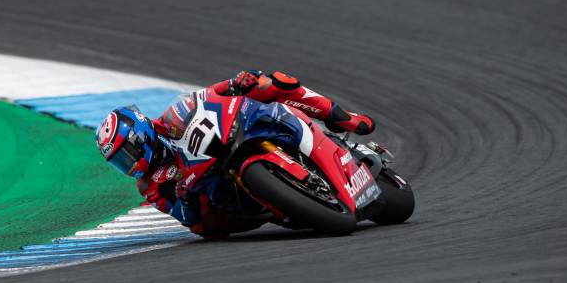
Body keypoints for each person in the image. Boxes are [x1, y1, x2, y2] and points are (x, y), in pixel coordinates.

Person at [95, 70, 374, 238]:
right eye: (119, 162)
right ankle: (292, 198)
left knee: (273, 83)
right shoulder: (149, 185)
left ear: (140, 136)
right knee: (209, 230)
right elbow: (189, 222)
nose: (128, 164)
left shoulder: (169, 120)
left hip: (229, 142)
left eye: (126, 154)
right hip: (224, 199)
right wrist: (186, 199)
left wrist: (235, 83)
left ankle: (343, 118)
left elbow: (204, 96)